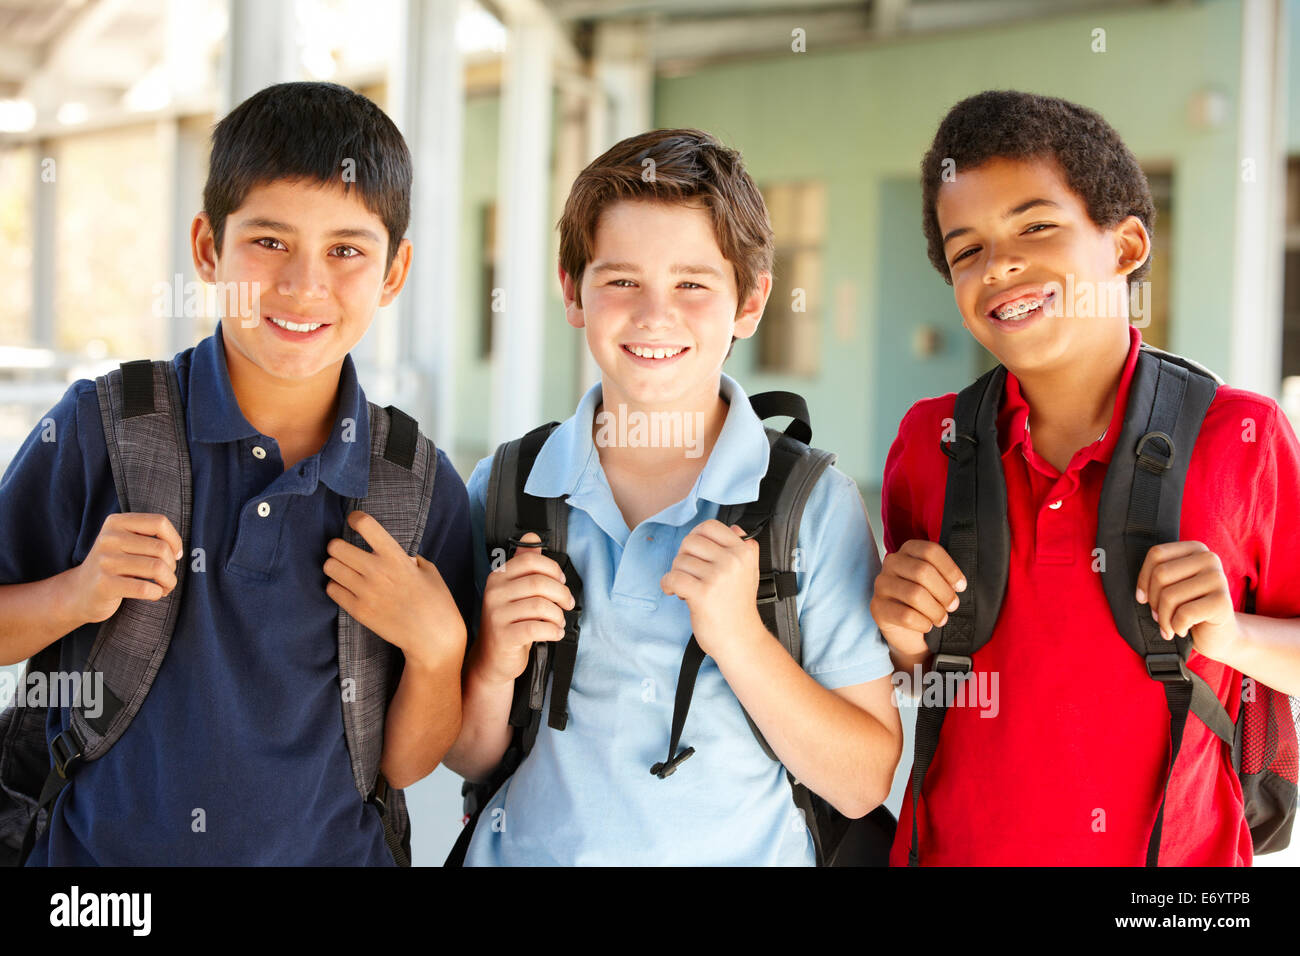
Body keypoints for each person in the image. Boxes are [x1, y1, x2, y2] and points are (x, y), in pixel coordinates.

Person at [0, 81, 475, 865]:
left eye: (347, 251)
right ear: (207, 248)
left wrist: (438, 652)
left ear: (395, 272)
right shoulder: (105, 426)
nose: (303, 284)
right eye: (269, 241)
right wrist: (75, 594)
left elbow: (405, 765)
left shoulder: (414, 483)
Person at [443, 128, 902, 865]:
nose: (655, 314)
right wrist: (495, 661)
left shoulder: (809, 505)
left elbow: (861, 782)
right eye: (621, 280)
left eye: (693, 284)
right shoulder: (505, 489)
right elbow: (467, 757)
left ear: (749, 305)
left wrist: (742, 640)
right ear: (572, 291)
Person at [871, 89, 1300, 865]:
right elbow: (920, 678)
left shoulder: (1244, 437)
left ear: (1127, 245)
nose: (999, 263)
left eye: (1036, 226)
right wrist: (899, 641)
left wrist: (1233, 637)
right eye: (966, 249)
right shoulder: (929, 442)